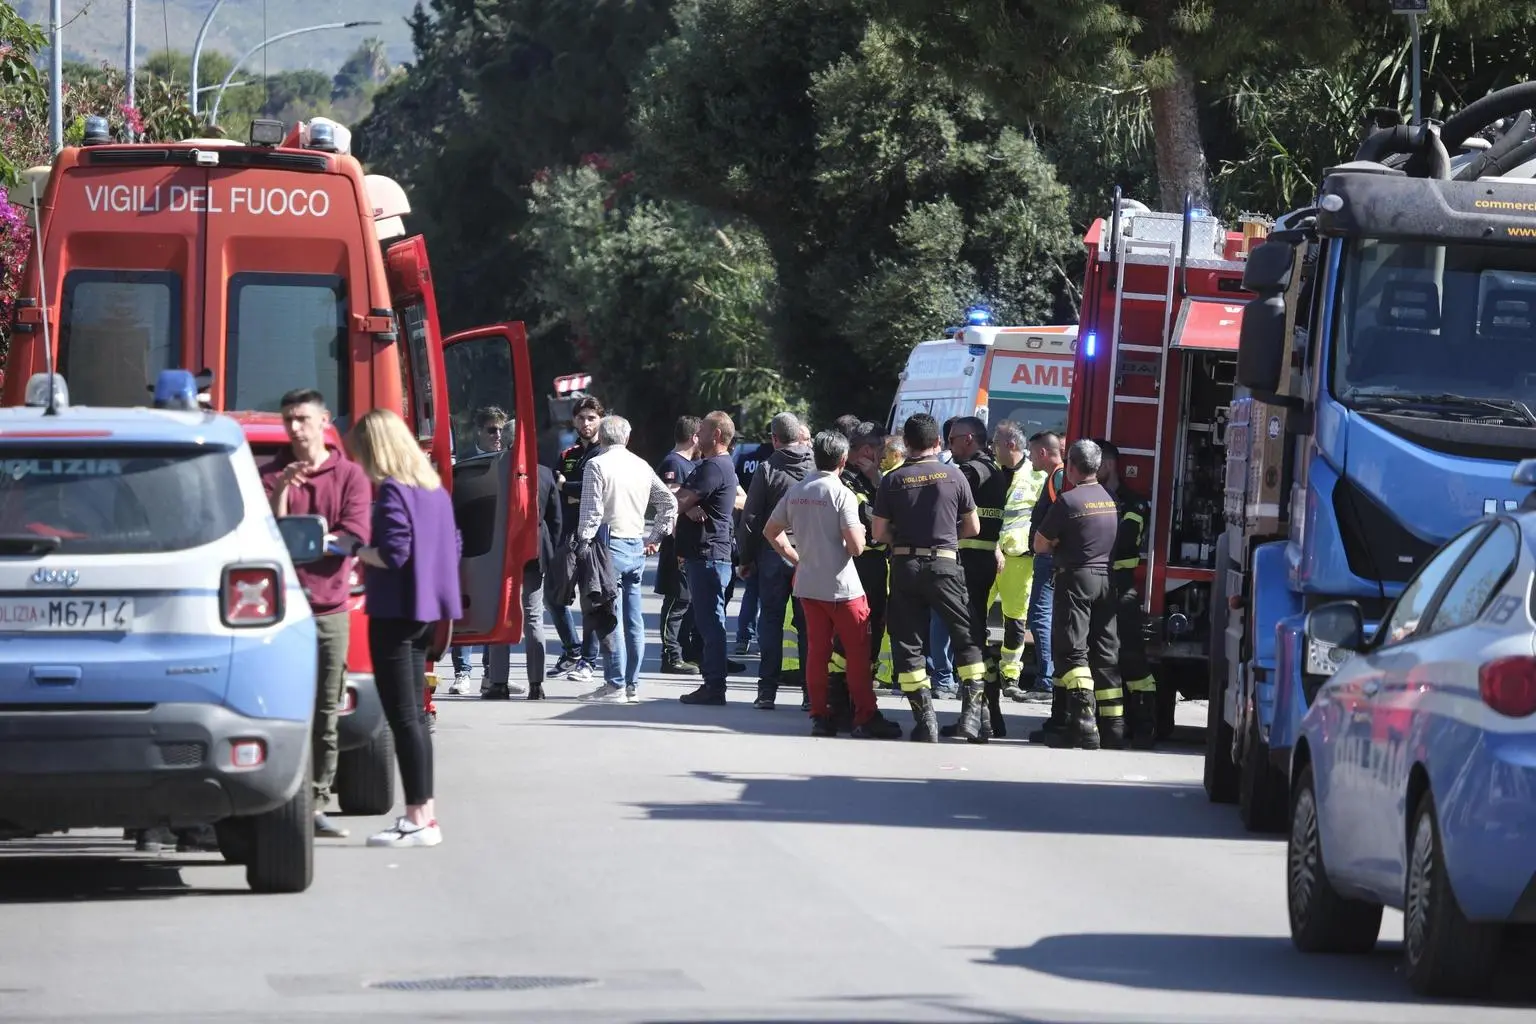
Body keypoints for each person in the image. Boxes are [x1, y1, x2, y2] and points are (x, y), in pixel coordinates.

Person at [346, 409, 463, 847]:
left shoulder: (394, 491)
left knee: (404, 720)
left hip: (394, 614)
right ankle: (424, 815)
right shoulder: (434, 490)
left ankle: (416, 818)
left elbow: (394, 553)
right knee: (416, 718)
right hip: (426, 614)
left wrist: (357, 549)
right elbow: (454, 543)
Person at [261, 387, 372, 840]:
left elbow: (355, 535)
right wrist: (285, 490)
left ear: (324, 420)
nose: (295, 428)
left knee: (326, 711)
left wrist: (312, 540)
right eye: (288, 419)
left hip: (329, 609)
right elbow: (267, 534)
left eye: (303, 418)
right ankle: (274, 798)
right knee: (275, 709)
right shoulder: (270, 474)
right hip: (279, 614)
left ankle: (316, 801)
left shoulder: (348, 475)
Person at [763, 431, 904, 739]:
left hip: (809, 584)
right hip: (843, 587)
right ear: (843, 460)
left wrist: (796, 558)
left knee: (816, 653)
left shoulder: (798, 489)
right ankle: (865, 715)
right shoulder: (842, 494)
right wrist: (862, 539)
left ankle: (821, 715)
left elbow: (771, 531)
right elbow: (856, 547)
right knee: (857, 654)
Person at [871, 413, 988, 742]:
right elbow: (973, 527)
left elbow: (879, 532)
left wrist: (904, 539)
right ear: (938, 442)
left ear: (906, 444)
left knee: (908, 645)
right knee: (965, 638)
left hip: (906, 567)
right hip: (946, 566)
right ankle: (970, 718)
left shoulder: (892, 480)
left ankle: (927, 723)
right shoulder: (955, 476)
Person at [575, 415, 679, 703]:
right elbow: (669, 502)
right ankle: (631, 683)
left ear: (602, 436)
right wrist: (655, 537)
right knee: (634, 619)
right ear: (627, 437)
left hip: (608, 546)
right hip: (635, 543)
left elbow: (592, 512)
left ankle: (615, 683)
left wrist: (582, 542)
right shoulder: (641, 465)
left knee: (610, 616)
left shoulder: (596, 465)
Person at [1032, 439, 1121, 751]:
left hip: (1076, 579)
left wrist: (1058, 543)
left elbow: (1040, 544)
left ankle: (1084, 722)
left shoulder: (1068, 502)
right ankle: (1113, 726)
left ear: (1070, 467)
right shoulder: (1110, 499)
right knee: (1106, 651)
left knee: (1073, 650)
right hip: (1106, 581)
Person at [739, 412, 814, 710]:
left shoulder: (768, 468)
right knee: (809, 625)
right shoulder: (817, 466)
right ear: (799, 435)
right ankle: (811, 694)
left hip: (773, 554)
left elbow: (752, 518)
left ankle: (767, 692)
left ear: (774, 439)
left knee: (770, 621)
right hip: (809, 554)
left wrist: (745, 558)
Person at [942, 415, 1010, 741]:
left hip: (969, 564)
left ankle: (978, 716)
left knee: (968, 638)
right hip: (979, 562)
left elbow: (957, 484)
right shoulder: (993, 469)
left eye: (953, 439)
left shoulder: (978, 469)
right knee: (976, 636)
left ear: (969, 438)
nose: (949, 445)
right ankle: (988, 716)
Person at [449, 406, 516, 696]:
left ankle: (492, 674)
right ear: (478, 431)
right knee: (464, 609)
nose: (497, 435)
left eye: (501, 430)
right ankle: (462, 673)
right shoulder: (461, 461)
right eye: (491, 430)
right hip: (465, 540)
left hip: (497, 542)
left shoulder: (510, 462)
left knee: (495, 609)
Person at [484, 454, 560, 701]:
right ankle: (536, 685)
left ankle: (498, 683)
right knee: (534, 617)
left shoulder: (493, 470)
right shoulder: (545, 473)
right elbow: (555, 519)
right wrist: (549, 549)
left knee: (502, 614)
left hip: (501, 553)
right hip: (534, 553)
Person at [677, 411, 740, 705]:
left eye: (701, 430)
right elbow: (685, 502)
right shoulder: (717, 465)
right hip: (710, 555)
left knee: (710, 624)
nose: (696, 435)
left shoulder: (713, 467)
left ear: (715, 435)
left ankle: (714, 686)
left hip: (708, 556)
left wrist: (681, 503)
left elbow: (675, 501)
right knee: (709, 622)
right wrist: (687, 506)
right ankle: (713, 683)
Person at [1097, 440, 1156, 749]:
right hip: (1095, 585)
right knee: (1099, 656)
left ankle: (1144, 725)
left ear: (1108, 465)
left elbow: (1125, 540)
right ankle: (1107, 725)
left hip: (1122, 587)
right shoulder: (1089, 499)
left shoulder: (1134, 504)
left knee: (1132, 657)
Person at [992, 421, 1047, 707]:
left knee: (1015, 622)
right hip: (989, 554)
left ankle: (1010, 677)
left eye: (995, 443)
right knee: (972, 615)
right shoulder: (989, 472)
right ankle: (977, 673)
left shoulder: (1036, 476)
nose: (992, 448)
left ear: (1010, 445)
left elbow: (1043, 517)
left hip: (1020, 560)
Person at [551, 395, 605, 681]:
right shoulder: (566, 454)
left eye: (592, 418)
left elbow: (591, 492)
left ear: (601, 421)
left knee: (590, 599)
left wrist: (567, 487)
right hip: (566, 533)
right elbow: (555, 488)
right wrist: (568, 489)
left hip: (593, 535)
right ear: (574, 420)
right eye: (582, 418)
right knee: (554, 597)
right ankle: (572, 649)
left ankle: (588, 660)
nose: (586, 423)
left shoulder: (604, 453)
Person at [1017, 431, 1065, 710]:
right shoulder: (1055, 476)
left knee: (1040, 616)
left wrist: (1053, 544)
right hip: (1049, 557)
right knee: (1041, 617)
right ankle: (1047, 678)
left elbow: (1064, 514)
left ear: (1044, 453)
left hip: (1050, 559)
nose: (1030, 457)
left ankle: (1046, 680)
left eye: (1033, 452)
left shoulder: (1057, 476)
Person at [656, 415, 702, 674]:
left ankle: (684, 651)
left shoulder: (689, 463)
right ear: (694, 437)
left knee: (687, 602)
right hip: (678, 546)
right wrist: (678, 546)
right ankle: (670, 656)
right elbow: (669, 507)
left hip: (687, 545)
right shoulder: (673, 463)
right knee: (677, 602)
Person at [731, 431, 772, 655]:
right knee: (770, 593)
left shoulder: (743, 456)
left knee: (752, 589)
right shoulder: (779, 460)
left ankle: (743, 637)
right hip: (775, 533)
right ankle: (763, 640)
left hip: (749, 527)